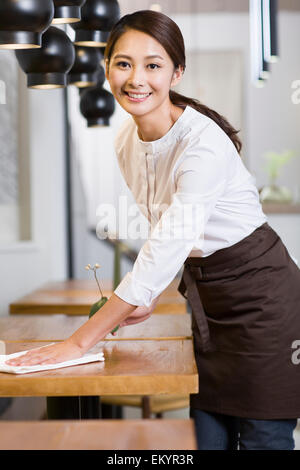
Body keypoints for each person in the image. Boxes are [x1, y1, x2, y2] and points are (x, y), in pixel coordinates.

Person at [8, 10, 300, 450]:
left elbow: (169, 242)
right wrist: (142, 299)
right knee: (206, 437)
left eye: (153, 64)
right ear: (106, 67)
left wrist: (78, 343)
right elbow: (168, 235)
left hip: (265, 301)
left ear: (176, 72)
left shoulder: (203, 145)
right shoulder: (126, 140)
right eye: (123, 63)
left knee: (263, 438)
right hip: (207, 301)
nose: (136, 78)